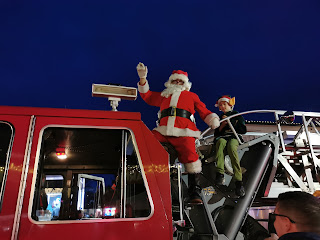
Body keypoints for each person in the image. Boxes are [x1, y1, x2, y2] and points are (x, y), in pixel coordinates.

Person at [136, 62, 220, 203]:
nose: (178, 82)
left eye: (180, 81)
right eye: (175, 80)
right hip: (162, 131)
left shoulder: (192, 96)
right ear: (170, 82)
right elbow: (148, 96)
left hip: (184, 131)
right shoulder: (164, 95)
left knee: (191, 156)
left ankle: (195, 191)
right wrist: (143, 78)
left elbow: (202, 110)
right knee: (153, 150)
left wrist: (212, 119)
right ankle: (155, 187)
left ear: (185, 83)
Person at [214, 95, 247, 197]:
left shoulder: (237, 116)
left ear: (229, 104)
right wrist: (223, 124)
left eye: (224, 104)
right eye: (221, 105)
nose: (223, 106)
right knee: (220, 143)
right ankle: (220, 173)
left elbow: (243, 130)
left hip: (234, 137)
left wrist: (231, 122)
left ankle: (239, 181)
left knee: (232, 147)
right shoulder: (219, 118)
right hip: (223, 137)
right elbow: (216, 134)